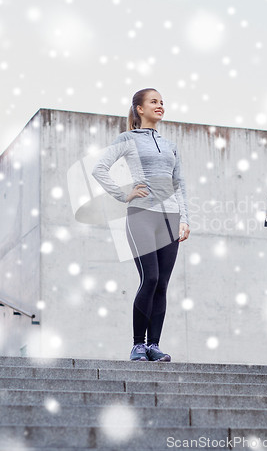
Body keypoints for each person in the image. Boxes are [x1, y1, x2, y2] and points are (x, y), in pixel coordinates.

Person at [91, 88, 190, 362]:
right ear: (139, 109)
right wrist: (124, 195)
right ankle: (138, 345)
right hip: (141, 215)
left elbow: (179, 184)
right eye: (154, 102)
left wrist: (185, 219)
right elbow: (99, 168)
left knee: (163, 285)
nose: (160, 106)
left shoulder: (171, 145)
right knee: (151, 277)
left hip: (170, 218)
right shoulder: (127, 139)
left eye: (162, 102)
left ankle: (154, 346)